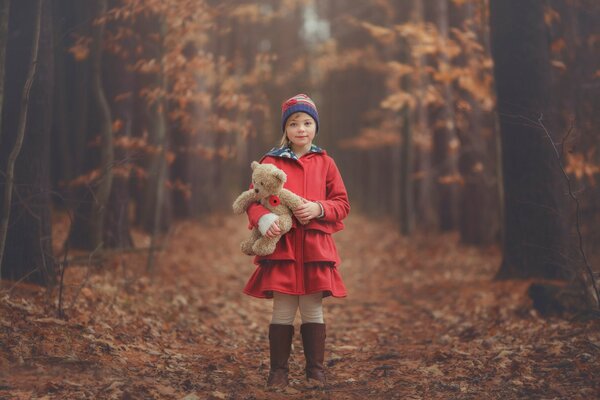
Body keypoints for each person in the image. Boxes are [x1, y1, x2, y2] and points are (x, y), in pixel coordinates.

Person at [243, 93, 350, 387]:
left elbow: (342, 203)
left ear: (315, 126)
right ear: (285, 129)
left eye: (306, 122)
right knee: (284, 309)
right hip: (283, 247)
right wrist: (262, 219)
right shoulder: (270, 160)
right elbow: (252, 200)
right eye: (293, 123)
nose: (301, 129)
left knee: (313, 307)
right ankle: (278, 371)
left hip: (315, 247)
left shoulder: (326, 162)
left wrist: (319, 208)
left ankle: (315, 370)